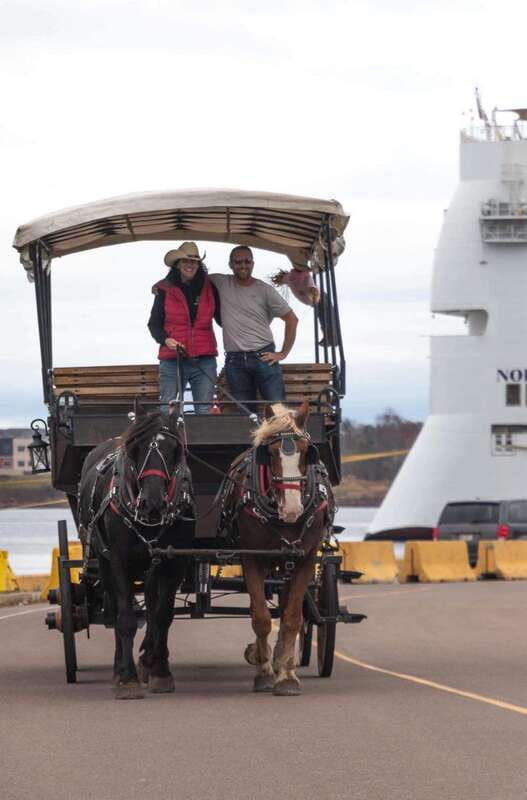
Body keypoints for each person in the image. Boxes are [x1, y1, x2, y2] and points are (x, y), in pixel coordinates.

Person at [208, 246, 298, 405]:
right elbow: (192, 276)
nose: (243, 265)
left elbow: (292, 319)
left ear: (253, 263)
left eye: (247, 261)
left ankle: (281, 423)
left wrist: (283, 353)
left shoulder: (265, 290)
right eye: (238, 262)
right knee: (246, 414)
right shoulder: (220, 282)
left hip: (263, 357)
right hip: (234, 361)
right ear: (230, 264)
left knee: (278, 409)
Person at [148, 242, 220, 412]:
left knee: (204, 411)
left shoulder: (210, 287)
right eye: (186, 261)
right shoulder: (163, 289)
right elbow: (154, 324)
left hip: (204, 360)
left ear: (199, 265)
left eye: (194, 261)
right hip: (172, 360)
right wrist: (166, 340)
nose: (190, 265)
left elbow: (222, 318)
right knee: (168, 410)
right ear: (178, 264)